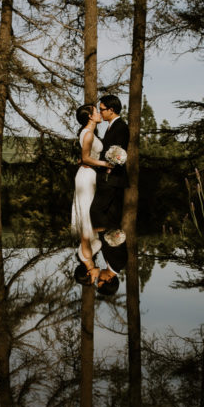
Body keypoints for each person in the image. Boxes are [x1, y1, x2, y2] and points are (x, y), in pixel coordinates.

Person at [71, 103, 112, 283]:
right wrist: (106, 164)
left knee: (87, 213)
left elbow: (85, 158)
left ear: (88, 273)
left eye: (94, 279)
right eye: (96, 111)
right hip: (86, 177)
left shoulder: (86, 256)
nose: (99, 114)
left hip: (88, 176)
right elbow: (86, 158)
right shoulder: (88, 133)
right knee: (87, 212)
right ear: (90, 116)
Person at [89, 94, 128, 233]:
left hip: (112, 178)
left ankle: (104, 239)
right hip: (110, 179)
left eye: (102, 109)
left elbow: (119, 152)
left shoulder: (121, 127)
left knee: (96, 211)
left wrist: (108, 168)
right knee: (111, 218)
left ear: (111, 110)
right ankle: (108, 240)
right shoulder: (112, 126)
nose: (100, 112)